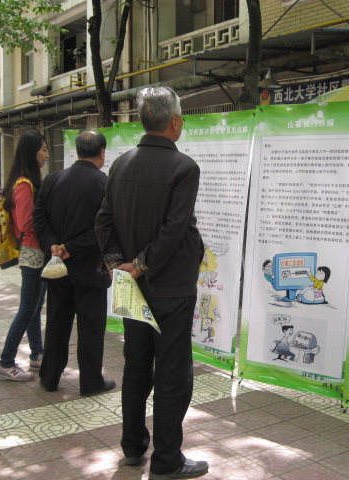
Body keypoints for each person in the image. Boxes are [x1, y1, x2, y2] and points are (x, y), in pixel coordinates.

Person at [95, 86, 208, 480]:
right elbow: (174, 229)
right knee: (172, 373)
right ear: (174, 122)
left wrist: (119, 264)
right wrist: (141, 265)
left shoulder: (120, 164)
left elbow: (103, 221)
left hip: (132, 285)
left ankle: (132, 447)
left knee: (137, 366)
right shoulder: (184, 168)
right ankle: (166, 461)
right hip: (171, 286)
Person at [33, 130, 115, 396]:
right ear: (102, 152)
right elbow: (105, 227)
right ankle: (91, 382)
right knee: (91, 328)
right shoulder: (104, 183)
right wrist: (73, 248)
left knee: (57, 322)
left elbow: (39, 219)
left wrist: (53, 246)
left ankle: (49, 377)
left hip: (57, 266)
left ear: (78, 151)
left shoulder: (53, 179)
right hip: (90, 267)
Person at [0, 132, 48, 381]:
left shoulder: (25, 181)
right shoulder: (24, 184)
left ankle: (37, 354)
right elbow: (28, 223)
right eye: (43, 150)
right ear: (31, 152)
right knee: (27, 309)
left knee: (34, 307)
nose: (47, 155)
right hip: (32, 251)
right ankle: (6, 362)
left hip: (35, 250)